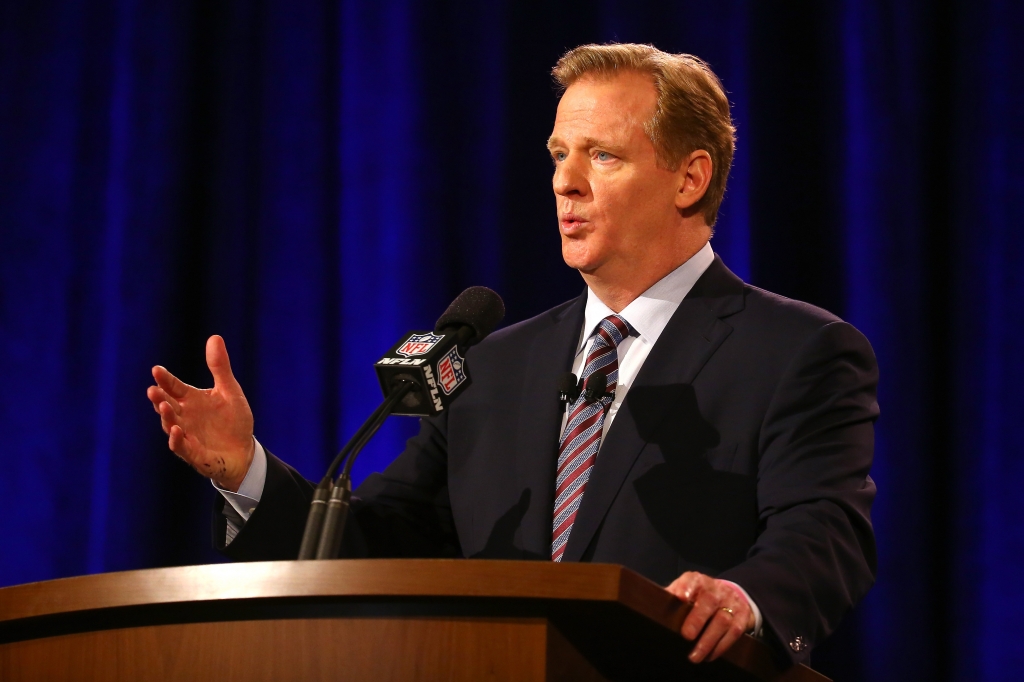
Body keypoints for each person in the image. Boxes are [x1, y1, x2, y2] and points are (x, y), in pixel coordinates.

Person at [147, 43, 878, 667]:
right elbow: (374, 543)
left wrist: (744, 599)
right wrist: (243, 471)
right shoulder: (494, 366)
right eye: (560, 154)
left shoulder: (795, 351)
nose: (565, 180)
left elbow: (823, 530)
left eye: (603, 155)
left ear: (689, 178)